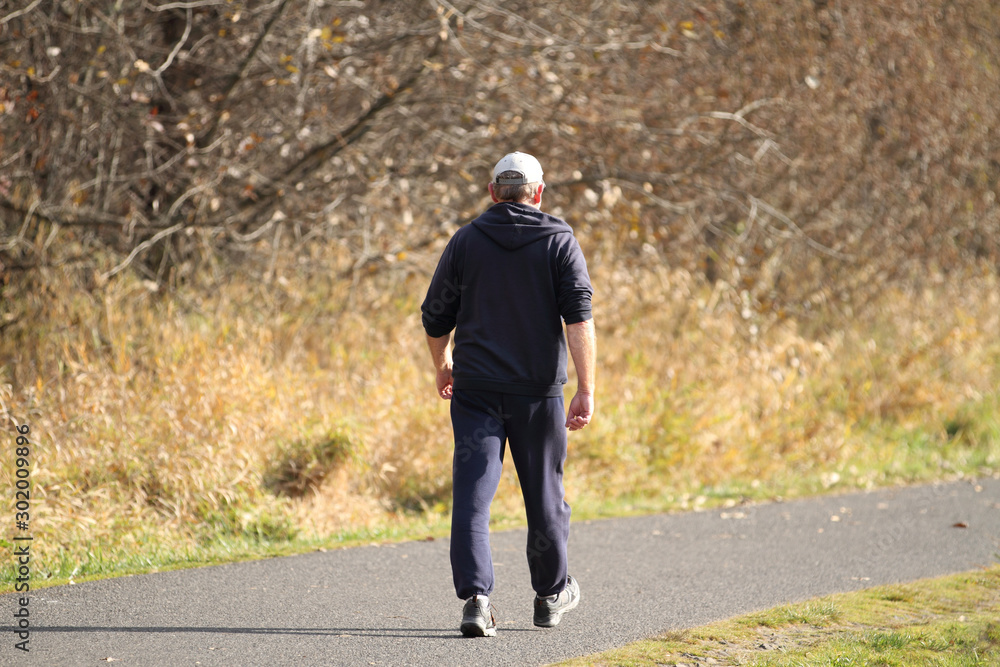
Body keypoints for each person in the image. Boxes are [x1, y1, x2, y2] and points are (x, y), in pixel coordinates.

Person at [421, 151, 596, 637]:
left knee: (473, 499)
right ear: (537, 193)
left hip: (475, 392)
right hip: (537, 396)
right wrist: (586, 387)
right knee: (544, 497)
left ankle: (476, 601)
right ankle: (550, 594)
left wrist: (443, 365)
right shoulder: (559, 241)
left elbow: (435, 317)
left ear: (493, 191)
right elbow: (578, 318)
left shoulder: (466, 242)